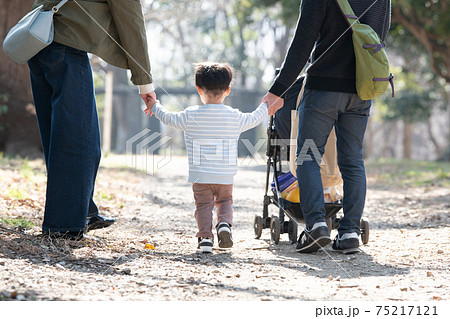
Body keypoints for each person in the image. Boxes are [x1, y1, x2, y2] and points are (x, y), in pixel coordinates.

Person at [263, 0, 391, 254]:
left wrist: (278, 90)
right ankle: (350, 232)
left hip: (323, 88)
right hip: (362, 88)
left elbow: (303, 42)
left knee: (308, 157)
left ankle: (317, 226)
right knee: (352, 160)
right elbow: (379, 35)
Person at [28, 0, 156, 240]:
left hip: (38, 42)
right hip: (67, 47)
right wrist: (143, 80)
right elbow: (131, 19)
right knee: (82, 142)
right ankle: (63, 224)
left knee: (59, 138)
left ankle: (82, 211)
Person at [144, 62, 268, 253]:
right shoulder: (234, 116)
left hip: (200, 175)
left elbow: (168, 118)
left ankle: (205, 239)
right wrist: (266, 106)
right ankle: (225, 225)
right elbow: (254, 118)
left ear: (198, 89)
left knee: (203, 206)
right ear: (227, 90)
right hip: (225, 175)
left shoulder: (190, 114)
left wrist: (154, 105)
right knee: (225, 202)